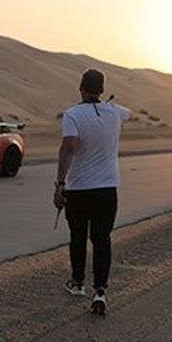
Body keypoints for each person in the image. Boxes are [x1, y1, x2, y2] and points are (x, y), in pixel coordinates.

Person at [53, 68, 131, 314]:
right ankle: (100, 292)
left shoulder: (73, 115)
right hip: (107, 189)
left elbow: (68, 147)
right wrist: (108, 109)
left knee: (78, 236)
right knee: (101, 238)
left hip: (78, 189)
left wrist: (59, 184)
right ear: (102, 89)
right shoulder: (116, 112)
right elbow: (130, 113)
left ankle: (77, 283)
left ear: (81, 87)